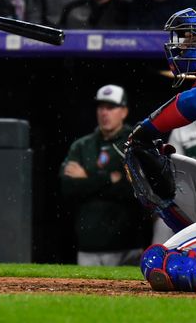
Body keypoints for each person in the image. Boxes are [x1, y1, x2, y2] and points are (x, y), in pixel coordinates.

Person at [119, 6, 196, 292]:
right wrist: (142, 144)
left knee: (163, 263)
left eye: (194, 39)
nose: (185, 46)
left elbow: (194, 103)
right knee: (152, 164)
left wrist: (145, 130)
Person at [60, 84, 146, 266]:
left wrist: (87, 179)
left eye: (111, 107)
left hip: (127, 245)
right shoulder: (82, 146)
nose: (104, 113)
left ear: (124, 111)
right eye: (101, 107)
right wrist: (109, 179)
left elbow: (136, 190)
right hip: (88, 245)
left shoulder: (135, 143)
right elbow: (67, 188)